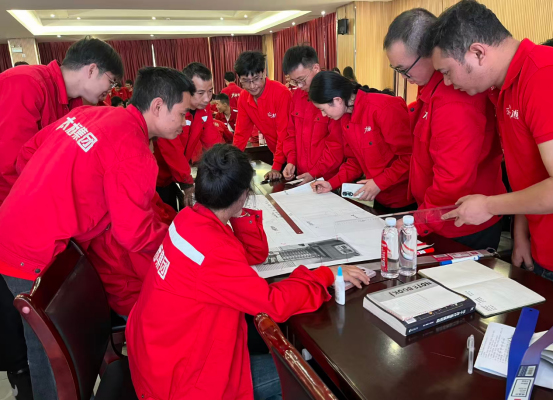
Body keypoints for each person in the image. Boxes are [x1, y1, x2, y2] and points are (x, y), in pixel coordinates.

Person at [0, 67, 195, 399]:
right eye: (183, 113)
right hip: (31, 250)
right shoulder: (133, 149)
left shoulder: (91, 114)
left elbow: (27, 156)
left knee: (54, 347)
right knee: (51, 356)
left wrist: (57, 196)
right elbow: (135, 234)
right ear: (158, 106)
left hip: (13, 226)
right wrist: (179, 244)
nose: (184, 122)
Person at [126, 144, 370, 400]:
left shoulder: (189, 218)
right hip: (182, 382)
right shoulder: (214, 249)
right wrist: (325, 275)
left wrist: (236, 210)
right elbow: (273, 304)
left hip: (160, 357)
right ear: (243, 194)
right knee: (311, 376)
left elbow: (251, 255)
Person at [426, 0, 553, 280]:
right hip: (541, 246)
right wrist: (521, 234)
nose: (446, 83)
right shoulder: (503, 89)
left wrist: (488, 205)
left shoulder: (544, 75)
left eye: (446, 71)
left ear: (478, 52)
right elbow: (529, 174)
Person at [383, 8, 506, 250]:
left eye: (404, 69)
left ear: (431, 52)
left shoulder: (454, 96)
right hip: (436, 215)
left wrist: (419, 222)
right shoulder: (431, 87)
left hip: (459, 223)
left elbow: (452, 178)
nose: (404, 77)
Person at [0, 37, 123, 207]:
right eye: (111, 82)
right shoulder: (26, 83)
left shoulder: (75, 103)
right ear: (92, 70)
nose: (110, 90)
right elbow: (9, 168)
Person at [310, 72, 415, 212]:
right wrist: (331, 184)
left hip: (405, 199)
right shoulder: (346, 118)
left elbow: (410, 157)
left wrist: (379, 183)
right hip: (378, 197)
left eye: (323, 109)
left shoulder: (383, 108)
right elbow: (355, 161)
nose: (323, 115)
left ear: (337, 100)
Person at [88, 192, 177, 317]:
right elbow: (158, 276)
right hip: (143, 306)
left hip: (146, 292)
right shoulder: (128, 230)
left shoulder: (127, 201)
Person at [152, 62, 224, 211]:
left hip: (179, 174)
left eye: (210, 91)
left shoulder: (204, 109)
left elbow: (212, 140)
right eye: (200, 93)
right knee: (164, 215)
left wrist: (224, 164)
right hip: (158, 178)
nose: (207, 98)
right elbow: (171, 150)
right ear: (186, 89)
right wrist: (187, 183)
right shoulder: (170, 108)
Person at [282, 45, 344, 185]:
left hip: (328, 179)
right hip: (303, 176)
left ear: (316, 68)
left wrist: (315, 172)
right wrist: (291, 161)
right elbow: (291, 133)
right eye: (294, 81)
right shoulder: (297, 96)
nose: (299, 86)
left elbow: (336, 145)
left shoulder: (332, 96)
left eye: (301, 79)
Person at [233, 51, 292, 181]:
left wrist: (276, 166)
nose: (252, 86)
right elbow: (241, 133)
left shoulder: (281, 93)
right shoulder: (243, 97)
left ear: (264, 72)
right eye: (245, 81)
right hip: (276, 153)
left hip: (293, 155)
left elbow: (284, 133)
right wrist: (233, 161)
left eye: (256, 79)